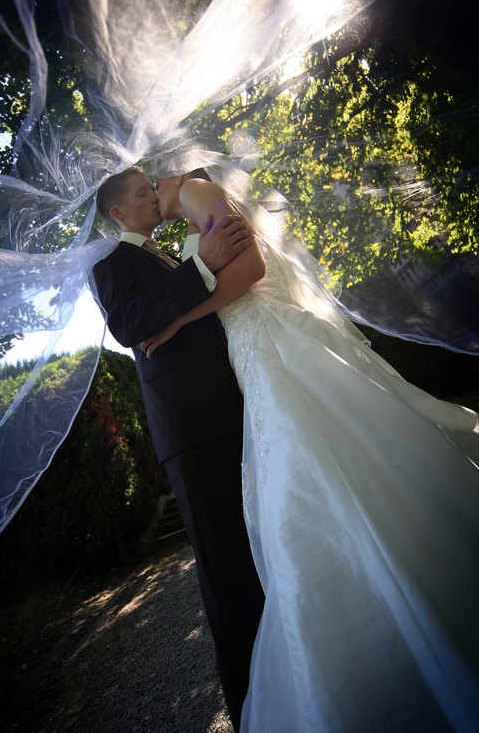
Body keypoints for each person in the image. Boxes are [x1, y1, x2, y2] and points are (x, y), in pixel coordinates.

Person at [144, 169, 479, 733]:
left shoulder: (195, 191)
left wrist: (178, 317)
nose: (152, 204)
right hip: (255, 352)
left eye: (150, 190)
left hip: (272, 343)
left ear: (168, 176)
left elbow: (251, 268)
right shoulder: (194, 211)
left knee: (316, 455)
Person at [91, 167, 265, 731]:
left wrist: (199, 261)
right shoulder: (109, 262)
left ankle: (284, 683)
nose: (152, 195)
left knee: (258, 558)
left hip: (231, 408)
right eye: (142, 192)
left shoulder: (166, 256)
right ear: (119, 213)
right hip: (190, 428)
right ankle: (251, 710)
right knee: (226, 578)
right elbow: (128, 324)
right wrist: (201, 264)